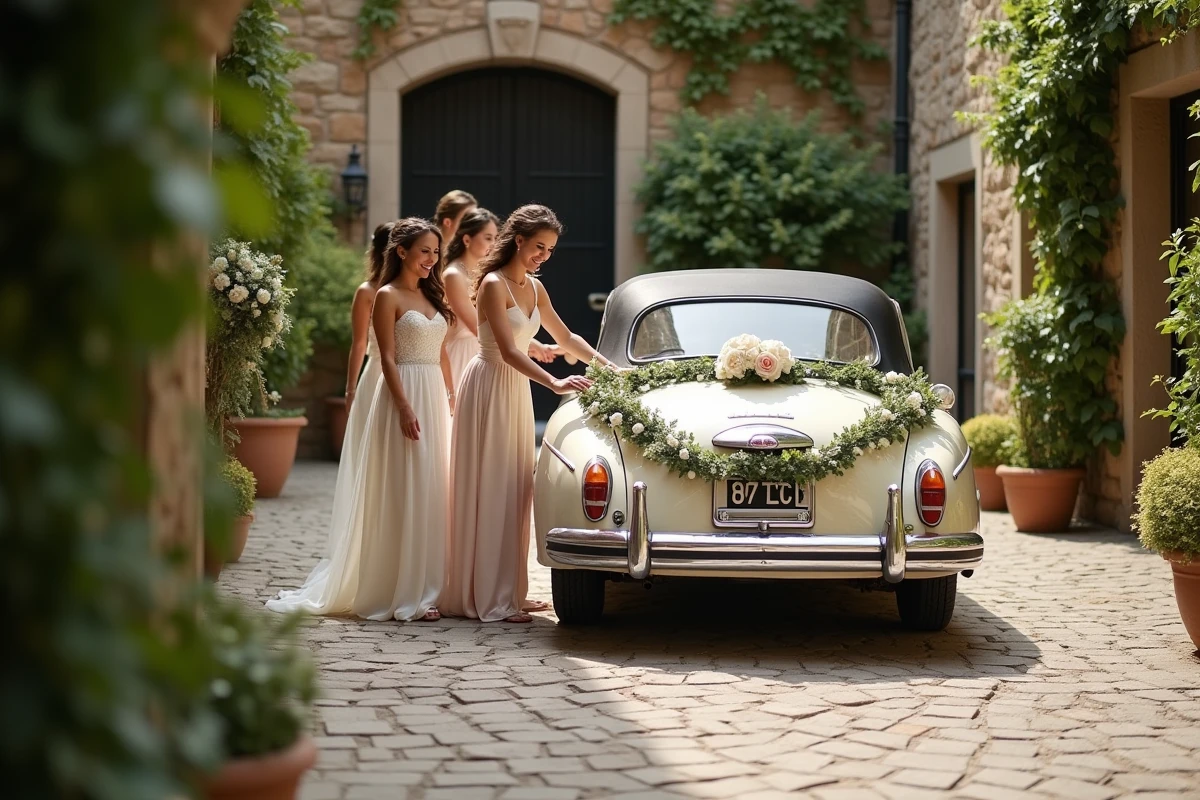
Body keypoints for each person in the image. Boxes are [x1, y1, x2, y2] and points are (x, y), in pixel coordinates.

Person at [267, 218, 455, 622]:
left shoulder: (433, 295)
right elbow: (384, 356)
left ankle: (427, 584)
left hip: (434, 396)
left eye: (436, 252)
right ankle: (397, 587)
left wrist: (452, 394)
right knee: (402, 485)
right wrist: (404, 406)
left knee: (431, 486)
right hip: (402, 391)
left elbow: (441, 353)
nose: (431, 259)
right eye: (424, 251)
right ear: (401, 251)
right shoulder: (386, 295)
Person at [442, 204, 615, 623]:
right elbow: (505, 350)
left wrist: (610, 369)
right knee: (491, 486)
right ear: (518, 240)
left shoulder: (535, 288)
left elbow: (566, 336)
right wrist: (554, 384)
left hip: (514, 391)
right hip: (488, 385)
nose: (543, 255)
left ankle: (510, 591)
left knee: (515, 490)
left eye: (551, 250)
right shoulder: (492, 285)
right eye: (539, 246)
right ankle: (488, 597)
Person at [442, 207, 559, 394]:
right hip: (468, 352)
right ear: (466, 240)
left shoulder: (495, 276)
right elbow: (477, 327)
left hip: (501, 358)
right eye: (488, 237)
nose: (494, 243)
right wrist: (531, 344)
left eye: (496, 237)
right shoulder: (457, 275)